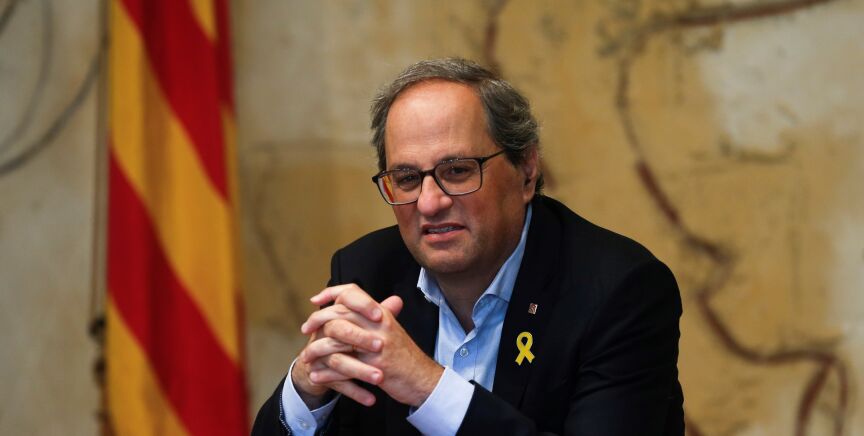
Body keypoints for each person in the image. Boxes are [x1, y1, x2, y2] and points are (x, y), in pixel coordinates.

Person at [252, 58, 684, 435]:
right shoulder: (367, 273)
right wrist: (307, 389)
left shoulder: (618, 290)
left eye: (457, 171)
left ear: (527, 170)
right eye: (407, 178)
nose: (429, 203)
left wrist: (426, 384)